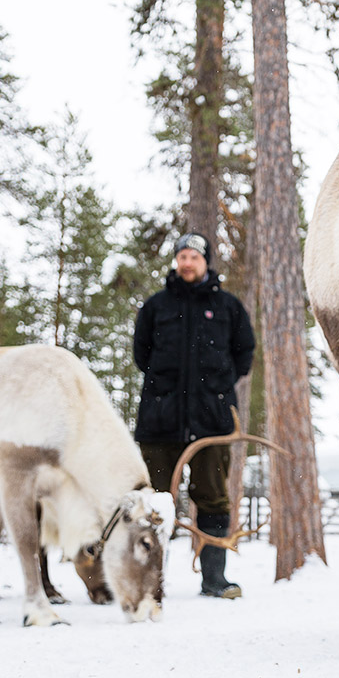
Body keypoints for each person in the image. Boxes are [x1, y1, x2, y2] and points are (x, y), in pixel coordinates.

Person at [133, 232, 255, 599]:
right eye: (182, 257)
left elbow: (244, 354)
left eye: (194, 257)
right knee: (154, 503)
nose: (187, 263)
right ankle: (151, 579)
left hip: (212, 425)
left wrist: (215, 391)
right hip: (160, 424)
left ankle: (214, 580)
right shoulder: (156, 306)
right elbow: (142, 355)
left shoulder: (228, 307)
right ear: (176, 261)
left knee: (214, 499)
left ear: (206, 263)